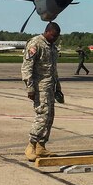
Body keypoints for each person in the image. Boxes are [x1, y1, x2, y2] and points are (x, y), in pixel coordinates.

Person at [21, 22, 63, 161]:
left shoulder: (52, 47)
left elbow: (53, 69)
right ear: (47, 32)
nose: (55, 38)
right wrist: (30, 87)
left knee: (50, 116)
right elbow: (27, 67)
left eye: (57, 36)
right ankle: (31, 145)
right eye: (53, 35)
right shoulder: (36, 43)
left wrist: (58, 87)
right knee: (42, 115)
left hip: (50, 86)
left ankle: (41, 146)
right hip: (39, 87)